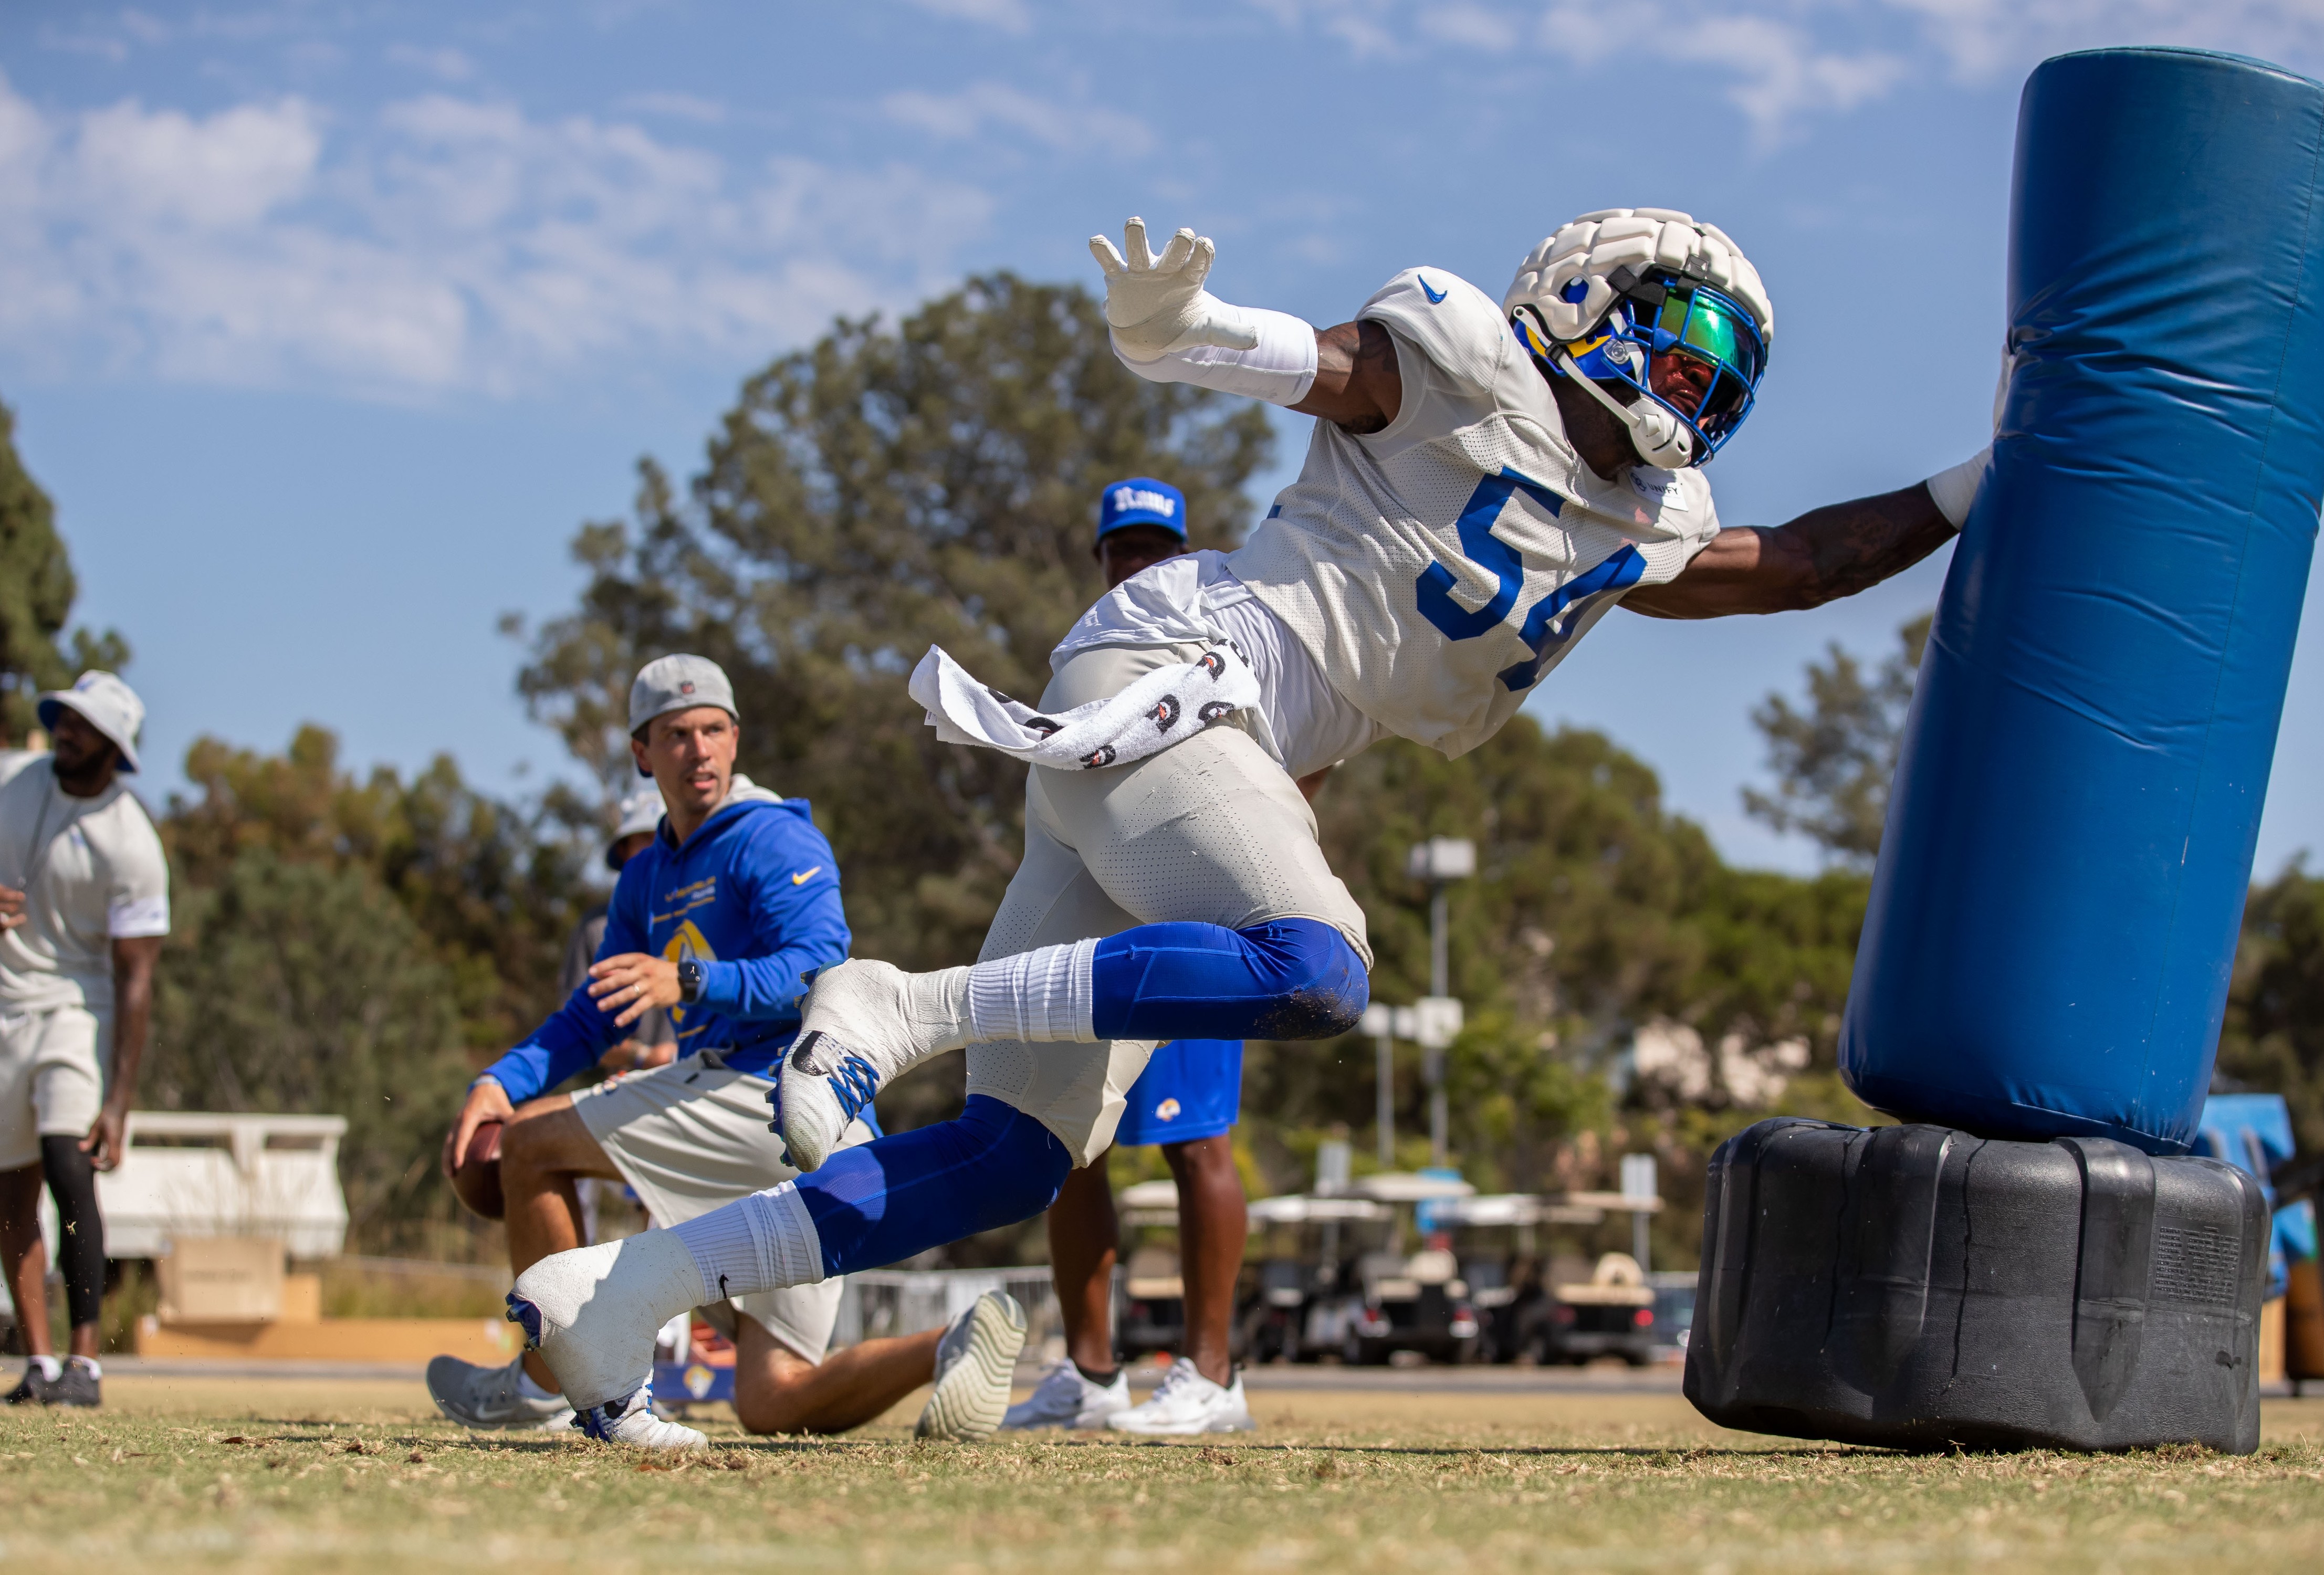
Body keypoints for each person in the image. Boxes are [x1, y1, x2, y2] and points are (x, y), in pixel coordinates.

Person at [507, 209, 1989, 1444]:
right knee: (1317, 969)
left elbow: (1806, 561)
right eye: (1679, 337)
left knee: (1011, 1158)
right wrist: (1184, 328)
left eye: (1722, 364)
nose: (1697, 377)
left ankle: (632, 1288)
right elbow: (1315, 364)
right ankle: (906, 1005)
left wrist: (1994, 471)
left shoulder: (1641, 519)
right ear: (1582, 303)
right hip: (1176, 678)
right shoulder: (1468, 365)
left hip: (1181, 744)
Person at [428, 654, 1025, 1448]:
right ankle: (953, 1342)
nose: (699, 750)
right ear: (642, 753)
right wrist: (501, 1082)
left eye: (714, 730)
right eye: (677, 734)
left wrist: (688, 979)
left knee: (533, 1145)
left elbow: (822, 968)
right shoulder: (645, 877)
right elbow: (594, 1014)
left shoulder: (772, 836)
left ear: (736, 740)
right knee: (773, 1400)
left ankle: (545, 1383)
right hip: (789, 1127)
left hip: (780, 1094)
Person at [1002, 479, 1255, 1435]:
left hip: (1195, 920)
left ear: (1183, 555)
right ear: (1102, 560)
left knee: (1198, 1144)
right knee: (1073, 1142)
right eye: (1123, 549)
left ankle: (1214, 1378)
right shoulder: (1082, 662)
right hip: (1095, 928)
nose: (1138, 563)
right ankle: (1091, 1376)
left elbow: (1287, 765)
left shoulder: (1220, 651)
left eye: (1156, 548)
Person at [0, 673, 168, 1409]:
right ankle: (39, 1363)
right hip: (5, 1004)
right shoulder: (11, 782)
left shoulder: (133, 843)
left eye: (85, 725)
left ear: (114, 747)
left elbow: (137, 978)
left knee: (69, 1162)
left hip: (79, 1007)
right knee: (10, 1184)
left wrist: (120, 1101)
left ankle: (86, 1362)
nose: (66, 730)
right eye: (65, 718)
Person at [563, 790, 678, 1079]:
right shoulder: (596, 928)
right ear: (624, 850)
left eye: (664, 837)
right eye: (645, 838)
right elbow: (575, 1032)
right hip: (628, 1086)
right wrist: (643, 1056)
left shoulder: (708, 912)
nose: (656, 848)